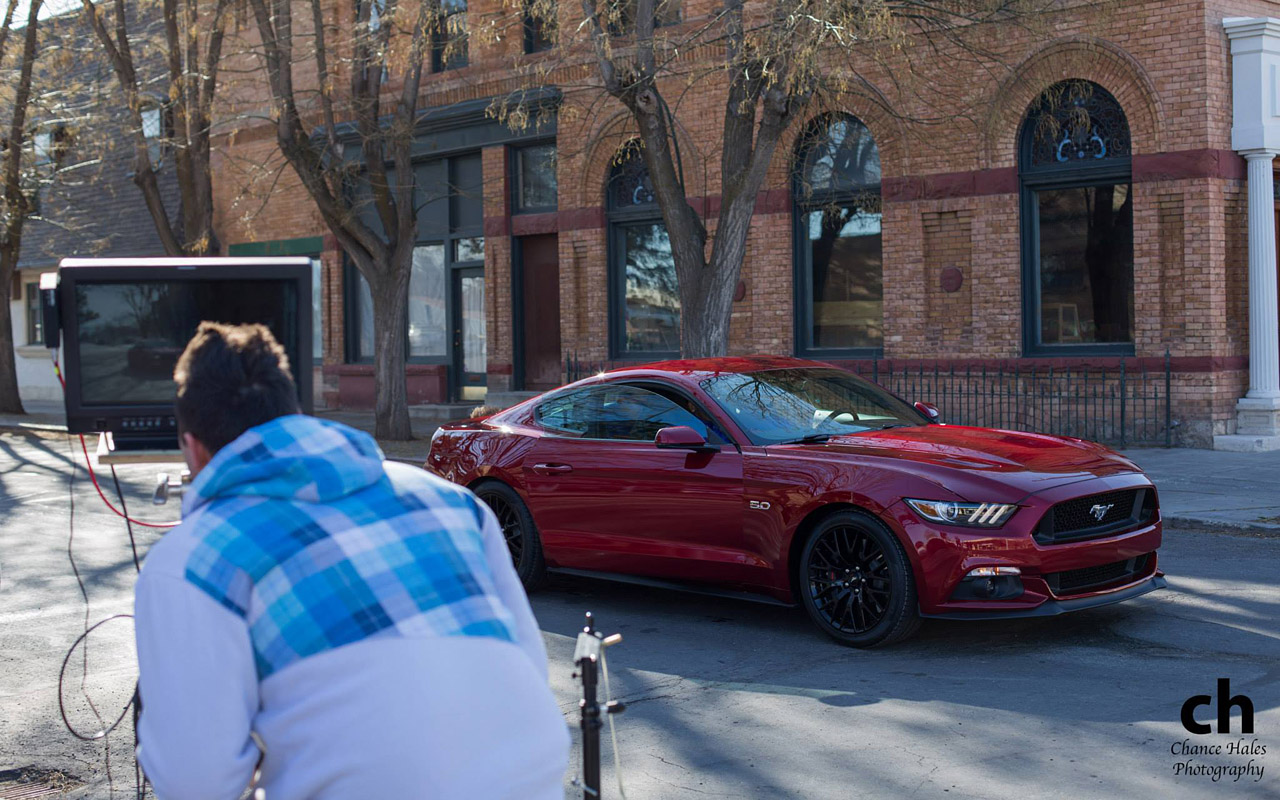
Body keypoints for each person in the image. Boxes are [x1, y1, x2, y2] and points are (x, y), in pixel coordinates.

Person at [133, 321, 568, 800]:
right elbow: (527, 664)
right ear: (294, 414)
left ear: (193, 449)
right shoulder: (453, 503)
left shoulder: (193, 560)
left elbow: (195, 781)